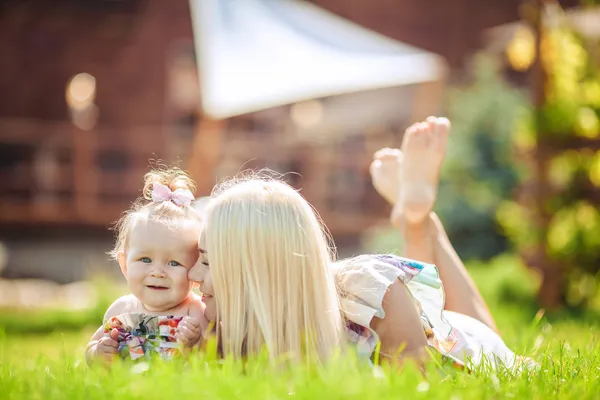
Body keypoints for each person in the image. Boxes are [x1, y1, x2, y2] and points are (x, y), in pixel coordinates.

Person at [188, 116, 536, 371]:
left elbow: (418, 388)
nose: (192, 273)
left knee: (491, 343)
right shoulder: (225, 326)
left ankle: (419, 222)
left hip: (464, 348)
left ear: (253, 265)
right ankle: (413, 215)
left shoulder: (371, 292)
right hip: (425, 325)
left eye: (206, 260)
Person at [85, 167, 208, 366]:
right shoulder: (121, 309)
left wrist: (196, 343)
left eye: (174, 263)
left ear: (194, 272)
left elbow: (215, 357)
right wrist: (98, 353)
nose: (157, 272)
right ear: (125, 265)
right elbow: (92, 348)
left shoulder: (194, 313)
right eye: (145, 260)